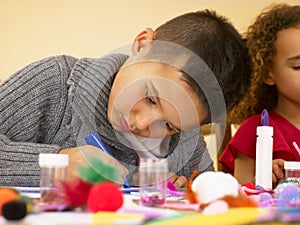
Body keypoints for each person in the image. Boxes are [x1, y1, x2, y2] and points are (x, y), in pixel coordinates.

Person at [0, 9, 251, 187]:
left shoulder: (185, 137)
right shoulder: (55, 81)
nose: (142, 124)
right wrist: (55, 165)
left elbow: (209, 196)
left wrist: (181, 195)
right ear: (142, 45)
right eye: (151, 98)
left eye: (168, 126)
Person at [219, 3, 300, 188]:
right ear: (267, 74)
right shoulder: (254, 129)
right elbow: (241, 194)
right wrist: (263, 179)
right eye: (298, 67)